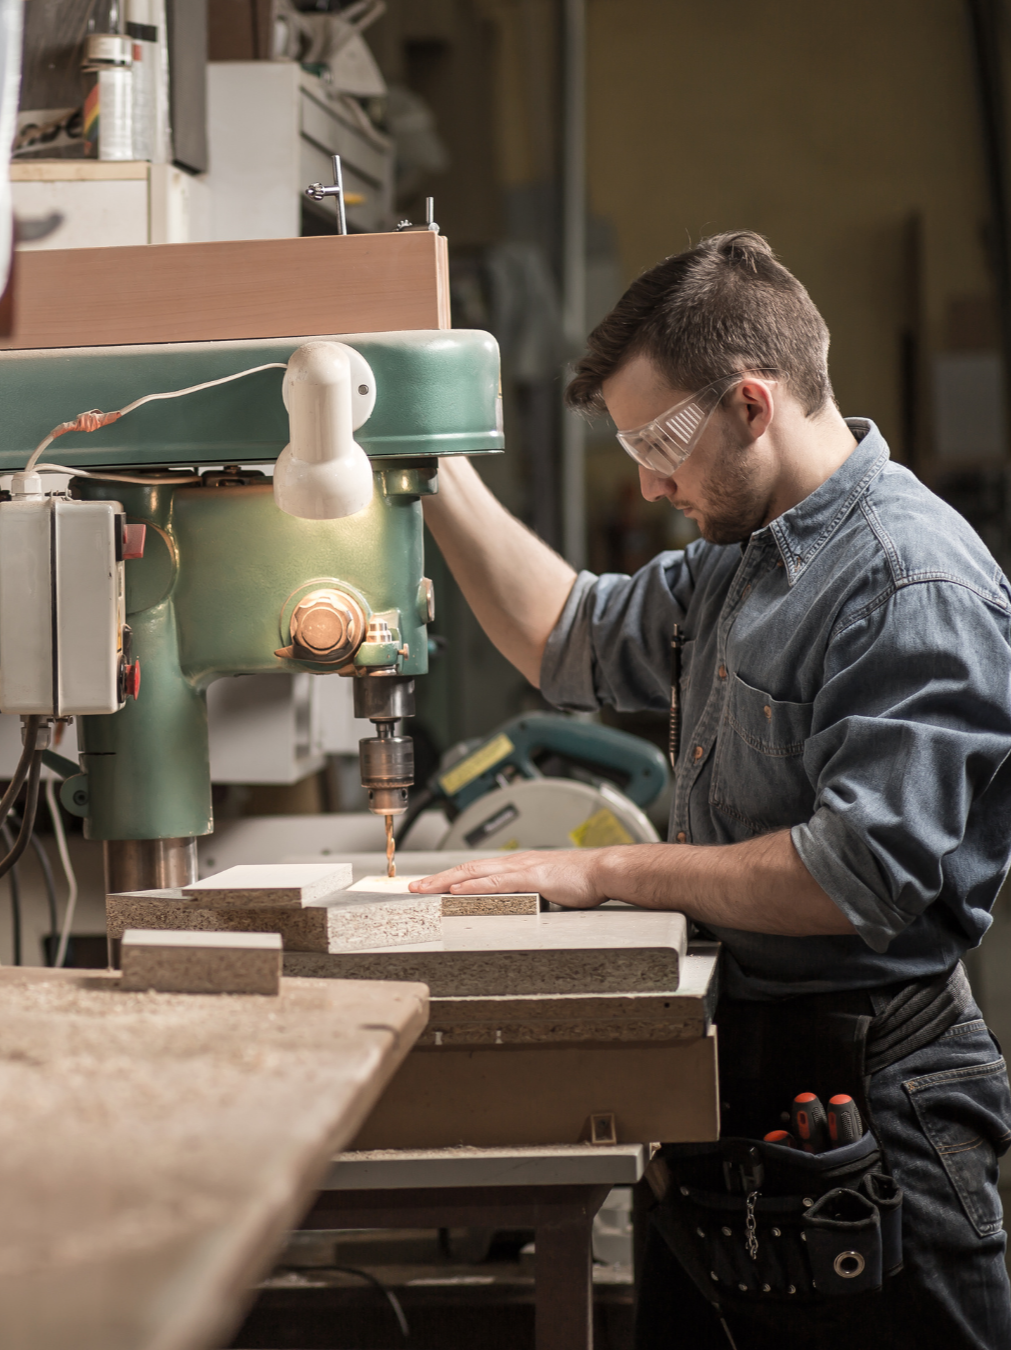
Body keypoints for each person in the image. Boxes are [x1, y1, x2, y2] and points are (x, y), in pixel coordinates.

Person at [410, 231, 1011, 1348]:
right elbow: (568, 634)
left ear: (751, 404)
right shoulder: (744, 553)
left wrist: (603, 871)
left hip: (877, 1097)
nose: (644, 481)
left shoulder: (907, 582)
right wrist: (425, 460)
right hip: (739, 1067)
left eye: (658, 442)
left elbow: (852, 876)